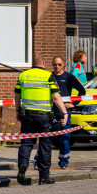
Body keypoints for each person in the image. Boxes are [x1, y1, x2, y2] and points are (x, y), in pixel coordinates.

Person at [14, 55, 68, 185]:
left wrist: (17, 111)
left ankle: (23, 163)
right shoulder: (48, 76)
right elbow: (56, 97)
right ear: (43, 63)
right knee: (45, 145)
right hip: (44, 117)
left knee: (26, 142)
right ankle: (44, 177)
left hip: (27, 115)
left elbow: (17, 94)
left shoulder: (23, 75)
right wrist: (64, 112)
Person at [51, 56, 85, 169]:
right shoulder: (49, 77)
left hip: (64, 113)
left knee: (65, 137)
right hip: (51, 112)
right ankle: (38, 161)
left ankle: (64, 161)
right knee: (45, 138)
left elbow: (82, 91)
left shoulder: (68, 77)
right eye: (55, 64)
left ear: (63, 64)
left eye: (59, 64)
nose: (57, 67)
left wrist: (73, 104)